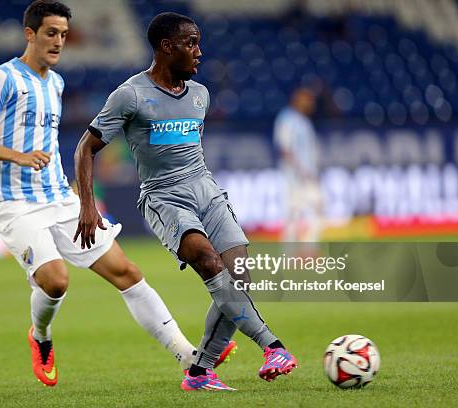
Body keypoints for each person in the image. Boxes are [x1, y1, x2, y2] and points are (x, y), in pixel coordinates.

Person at [0, 0, 234, 388]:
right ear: (30, 34)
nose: (58, 42)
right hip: (18, 204)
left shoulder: (55, 82)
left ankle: (187, 354)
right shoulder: (2, 78)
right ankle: (40, 337)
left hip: (59, 197)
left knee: (127, 272)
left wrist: (80, 196)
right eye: (50, 33)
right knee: (56, 281)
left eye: (63, 35)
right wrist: (18, 157)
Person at [75, 12, 298, 391]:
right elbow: (86, 147)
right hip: (164, 197)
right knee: (209, 262)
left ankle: (199, 373)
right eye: (191, 43)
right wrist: (87, 204)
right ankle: (271, 345)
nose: (200, 52)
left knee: (239, 274)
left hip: (205, 189)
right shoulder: (131, 94)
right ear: (167, 46)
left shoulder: (200, 95)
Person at [274, 87, 323, 243]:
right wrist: (300, 170)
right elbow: (285, 148)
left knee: (313, 209)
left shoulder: (303, 120)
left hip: (307, 174)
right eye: (308, 100)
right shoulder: (287, 119)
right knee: (295, 212)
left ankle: (308, 247)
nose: (311, 105)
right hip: (295, 176)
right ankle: (292, 249)